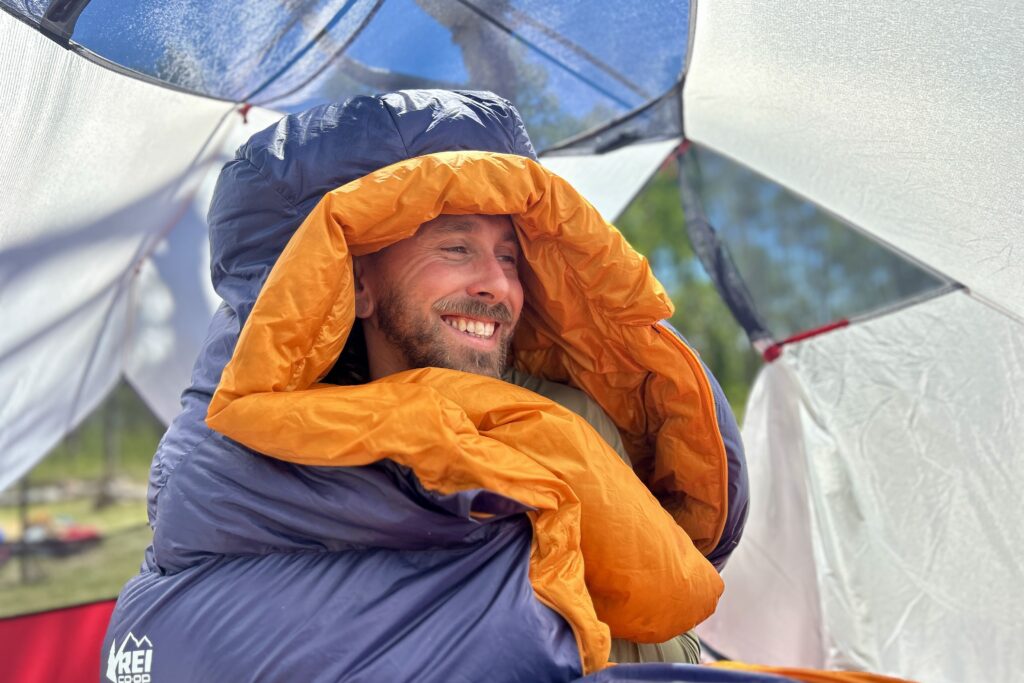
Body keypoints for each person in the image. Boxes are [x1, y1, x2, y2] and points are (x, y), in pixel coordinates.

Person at [103, 89, 747, 682]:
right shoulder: (243, 463)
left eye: (508, 256)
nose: (497, 286)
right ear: (350, 282)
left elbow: (653, 628)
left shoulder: (571, 416)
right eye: (455, 249)